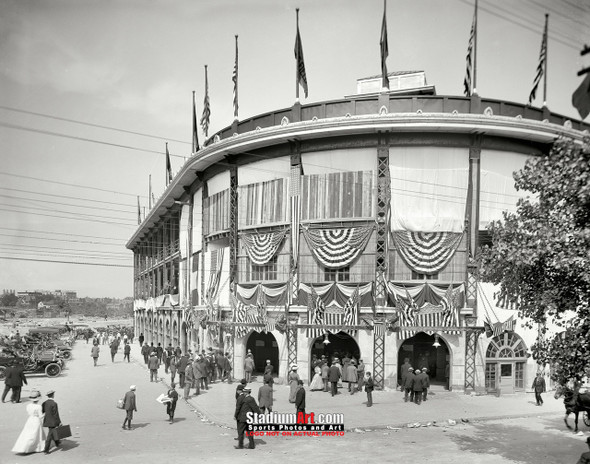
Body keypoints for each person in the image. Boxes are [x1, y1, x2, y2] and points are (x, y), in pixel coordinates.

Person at [11, 390, 46, 454]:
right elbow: (41, 416)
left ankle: (23, 447)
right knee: (36, 434)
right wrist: (45, 413)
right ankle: (37, 447)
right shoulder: (38, 406)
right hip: (36, 420)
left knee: (27, 433)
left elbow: (28, 413)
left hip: (30, 420)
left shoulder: (28, 405)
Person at [42, 390, 61, 454]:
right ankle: (46, 449)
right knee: (50, 435)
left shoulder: (44, 403)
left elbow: (43, 411)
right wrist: (59, 422)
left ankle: (57, 442)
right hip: (53, 421)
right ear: (53, 395)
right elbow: (56, 414)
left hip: (47, 420)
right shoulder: (54, 404)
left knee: (52, 431)